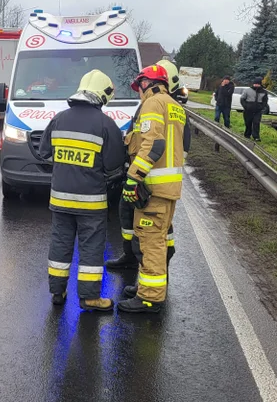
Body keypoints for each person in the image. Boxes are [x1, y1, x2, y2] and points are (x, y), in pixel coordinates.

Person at [38, 70, 126, 312]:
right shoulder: (106, 125)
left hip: (60, 199)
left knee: (60, 244)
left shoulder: (58, 119)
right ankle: (89, 298)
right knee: (91, 249)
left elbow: (45, 153)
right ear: (102, 95)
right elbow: (114, 164)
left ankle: (57, 291)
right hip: (91, 203)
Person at [114, 60, 191, 299]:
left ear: (146, 83)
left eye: (139, 87)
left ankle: (150, 298)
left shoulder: (152, 104)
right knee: (156, 238)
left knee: (150, 241)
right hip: (167, 187)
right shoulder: (173, 105)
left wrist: (133, 178)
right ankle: (149, 289)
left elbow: (153, 144)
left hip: (154, 188)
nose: (138, 92)